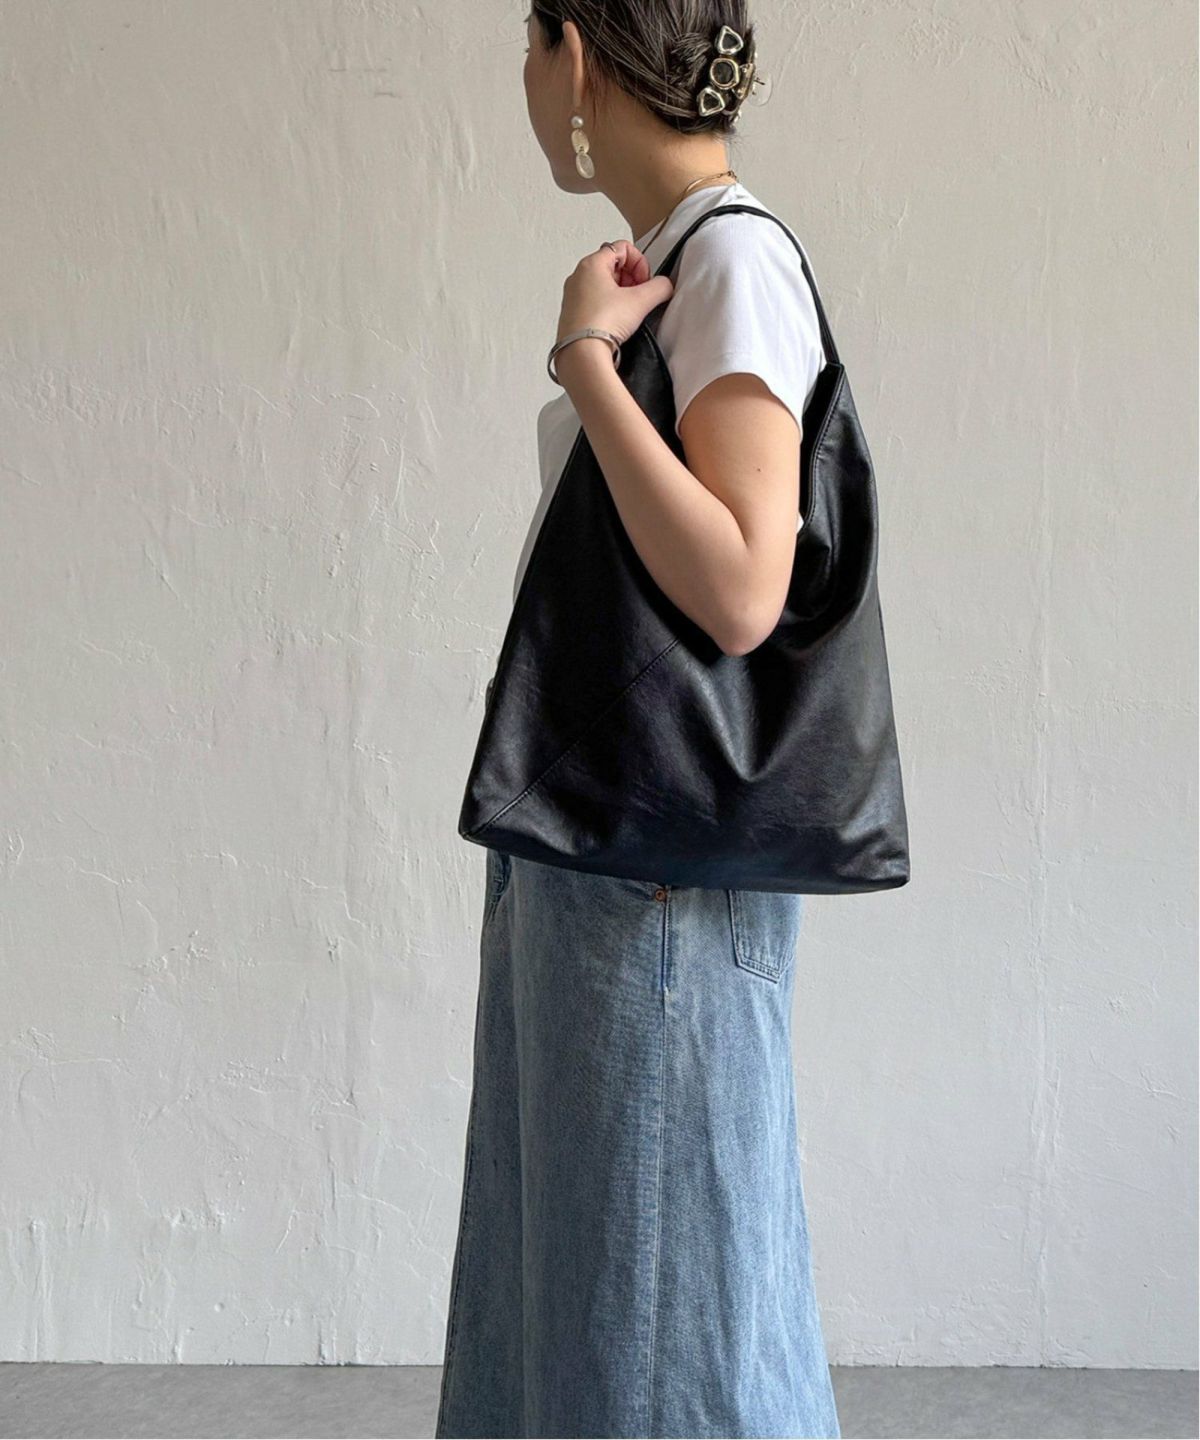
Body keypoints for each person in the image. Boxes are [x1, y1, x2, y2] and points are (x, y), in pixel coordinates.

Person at [435, 4, 841, 1437]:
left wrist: (587, 368)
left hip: (652, 877)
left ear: (578, 58)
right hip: (606, 856)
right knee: (586, 1292)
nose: (524, 82)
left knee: (662, 1319)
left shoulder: (733, 262)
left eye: (527, 45)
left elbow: (740, 586)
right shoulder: (680, 262)